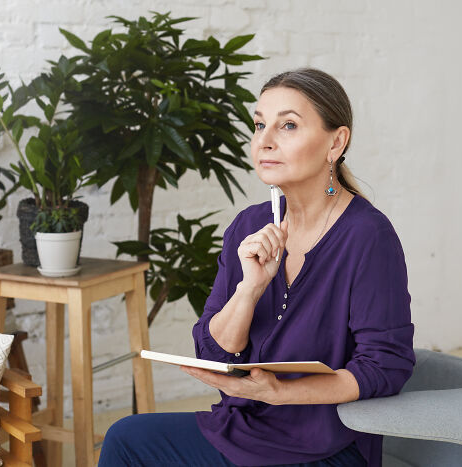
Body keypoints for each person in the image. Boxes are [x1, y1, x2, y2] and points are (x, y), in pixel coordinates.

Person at [99, 67, 416, 467]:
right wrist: (249, 288)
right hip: (243, 427)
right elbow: (212, 350)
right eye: (259, 124)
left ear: (336, 142)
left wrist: (279, 392)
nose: (264, 141)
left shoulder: (368, 236)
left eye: (287, 126)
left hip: (327, 446)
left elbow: (385, 366)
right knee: (126, 439)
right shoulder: (249, 227)